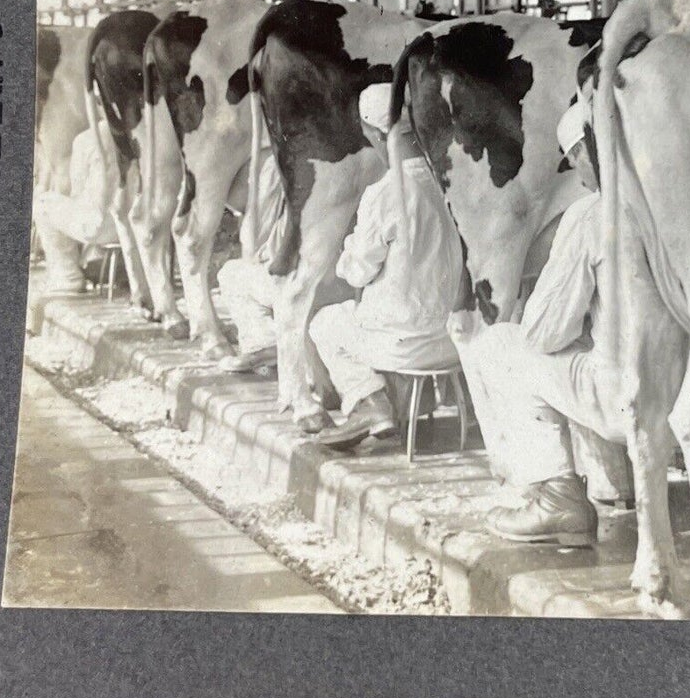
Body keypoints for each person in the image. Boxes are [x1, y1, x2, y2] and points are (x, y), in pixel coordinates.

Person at [450, 100, 633, 549]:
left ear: (590, 152)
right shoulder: (688, 198)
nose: (579, 174)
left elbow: (543, 332)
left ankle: (558, 499)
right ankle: (618, 482)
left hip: (627, 397)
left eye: (577, 161)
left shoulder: (592, 214)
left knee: (504, 344)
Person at [308, 83, 465, 450]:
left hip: (403, 345)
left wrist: (347, 252)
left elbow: (357, 271)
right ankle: (410, 410)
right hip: (450, 341)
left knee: (327, 323)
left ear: (379, 136)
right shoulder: (448, 182)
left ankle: (369, 403)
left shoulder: (386, 191)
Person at [213, 144, 287, 371]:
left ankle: (263, 346)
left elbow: (255, 248)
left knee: (232, 273)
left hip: (296, 283)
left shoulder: (275, 169)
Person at [33, 125, 118, 293]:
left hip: (103, 226)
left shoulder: (86, 138)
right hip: (139, 228)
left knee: (42, 204)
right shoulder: (150, 132)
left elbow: (77, 193)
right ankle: (116, 270)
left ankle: (68, 277)